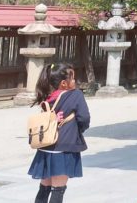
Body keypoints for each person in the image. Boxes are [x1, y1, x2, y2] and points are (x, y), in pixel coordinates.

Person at [27, 62, 90, 203]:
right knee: (58, 190)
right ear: (64, 83)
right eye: (72, 78)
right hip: (64, 147)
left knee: (44, 188)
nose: (75, 80)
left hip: (45, 146)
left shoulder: (48, 96)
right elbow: (84, 118)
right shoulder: (76, 95)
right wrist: (77, 130)